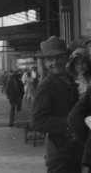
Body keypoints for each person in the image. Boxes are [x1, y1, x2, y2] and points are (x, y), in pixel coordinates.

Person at [31, 36, 81, 172]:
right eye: (49, 59)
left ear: (66, 57)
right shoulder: (45, 86)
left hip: (75, 151)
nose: (54, 62)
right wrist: (70, 127)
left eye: (58, 57)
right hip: (59, 153)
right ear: (45, 63)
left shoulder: (72, 80)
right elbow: (37, 121)